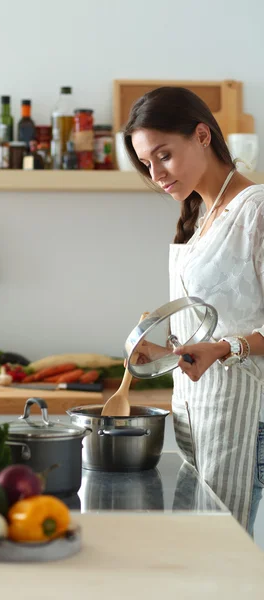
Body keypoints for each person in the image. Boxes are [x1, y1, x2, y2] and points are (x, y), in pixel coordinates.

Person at [123, 86, 264, 535]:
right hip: (196, 416)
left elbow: (229, 338)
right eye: (147, 164)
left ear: (202, 134)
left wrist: (225, 349)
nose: (157, 174)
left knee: (219, 562)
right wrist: (163, 351)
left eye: (164, 155)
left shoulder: (255, 210)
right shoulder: (200, 215)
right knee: (197, 556)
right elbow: (218, 320)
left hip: (242, 418)